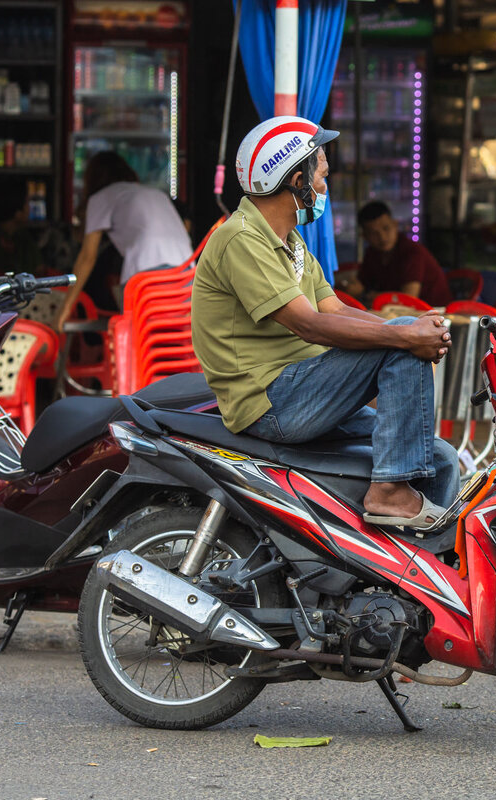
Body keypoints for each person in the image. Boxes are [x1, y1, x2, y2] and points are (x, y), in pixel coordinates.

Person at [192, 116, 458, 529]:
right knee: (401, 338)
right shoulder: (241, 239)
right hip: (274, 401)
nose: (324, 189)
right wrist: (403, 334)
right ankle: (388, 493)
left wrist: (408, 330)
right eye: (321, 177)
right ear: (295, 178)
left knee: (439, 459)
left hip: (306, 388)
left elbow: (334, 308)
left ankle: (419, 571)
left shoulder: (290, 241)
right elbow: (310, 325)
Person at [58, 151, 191, 326]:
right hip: (188, 276)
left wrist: (65, 309)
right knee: (178, 342)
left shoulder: (100, 198)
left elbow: (87, 258)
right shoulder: (157, 194)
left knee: (136, 339)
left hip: (147, 279)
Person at [343, 201, 452, 307]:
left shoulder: (412, 252)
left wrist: (364, 293)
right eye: (373, 233)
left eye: (386, 228)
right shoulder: (372, 253)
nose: (382, 237)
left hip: (435, 315)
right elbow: (360, 285)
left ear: (395, 225)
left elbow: (408, 299)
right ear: (364, 236)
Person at [0, 182, 42, 276]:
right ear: (18, 212)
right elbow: (39, 271)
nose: (29, 208)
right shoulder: (25, 240)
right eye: (27, 203)